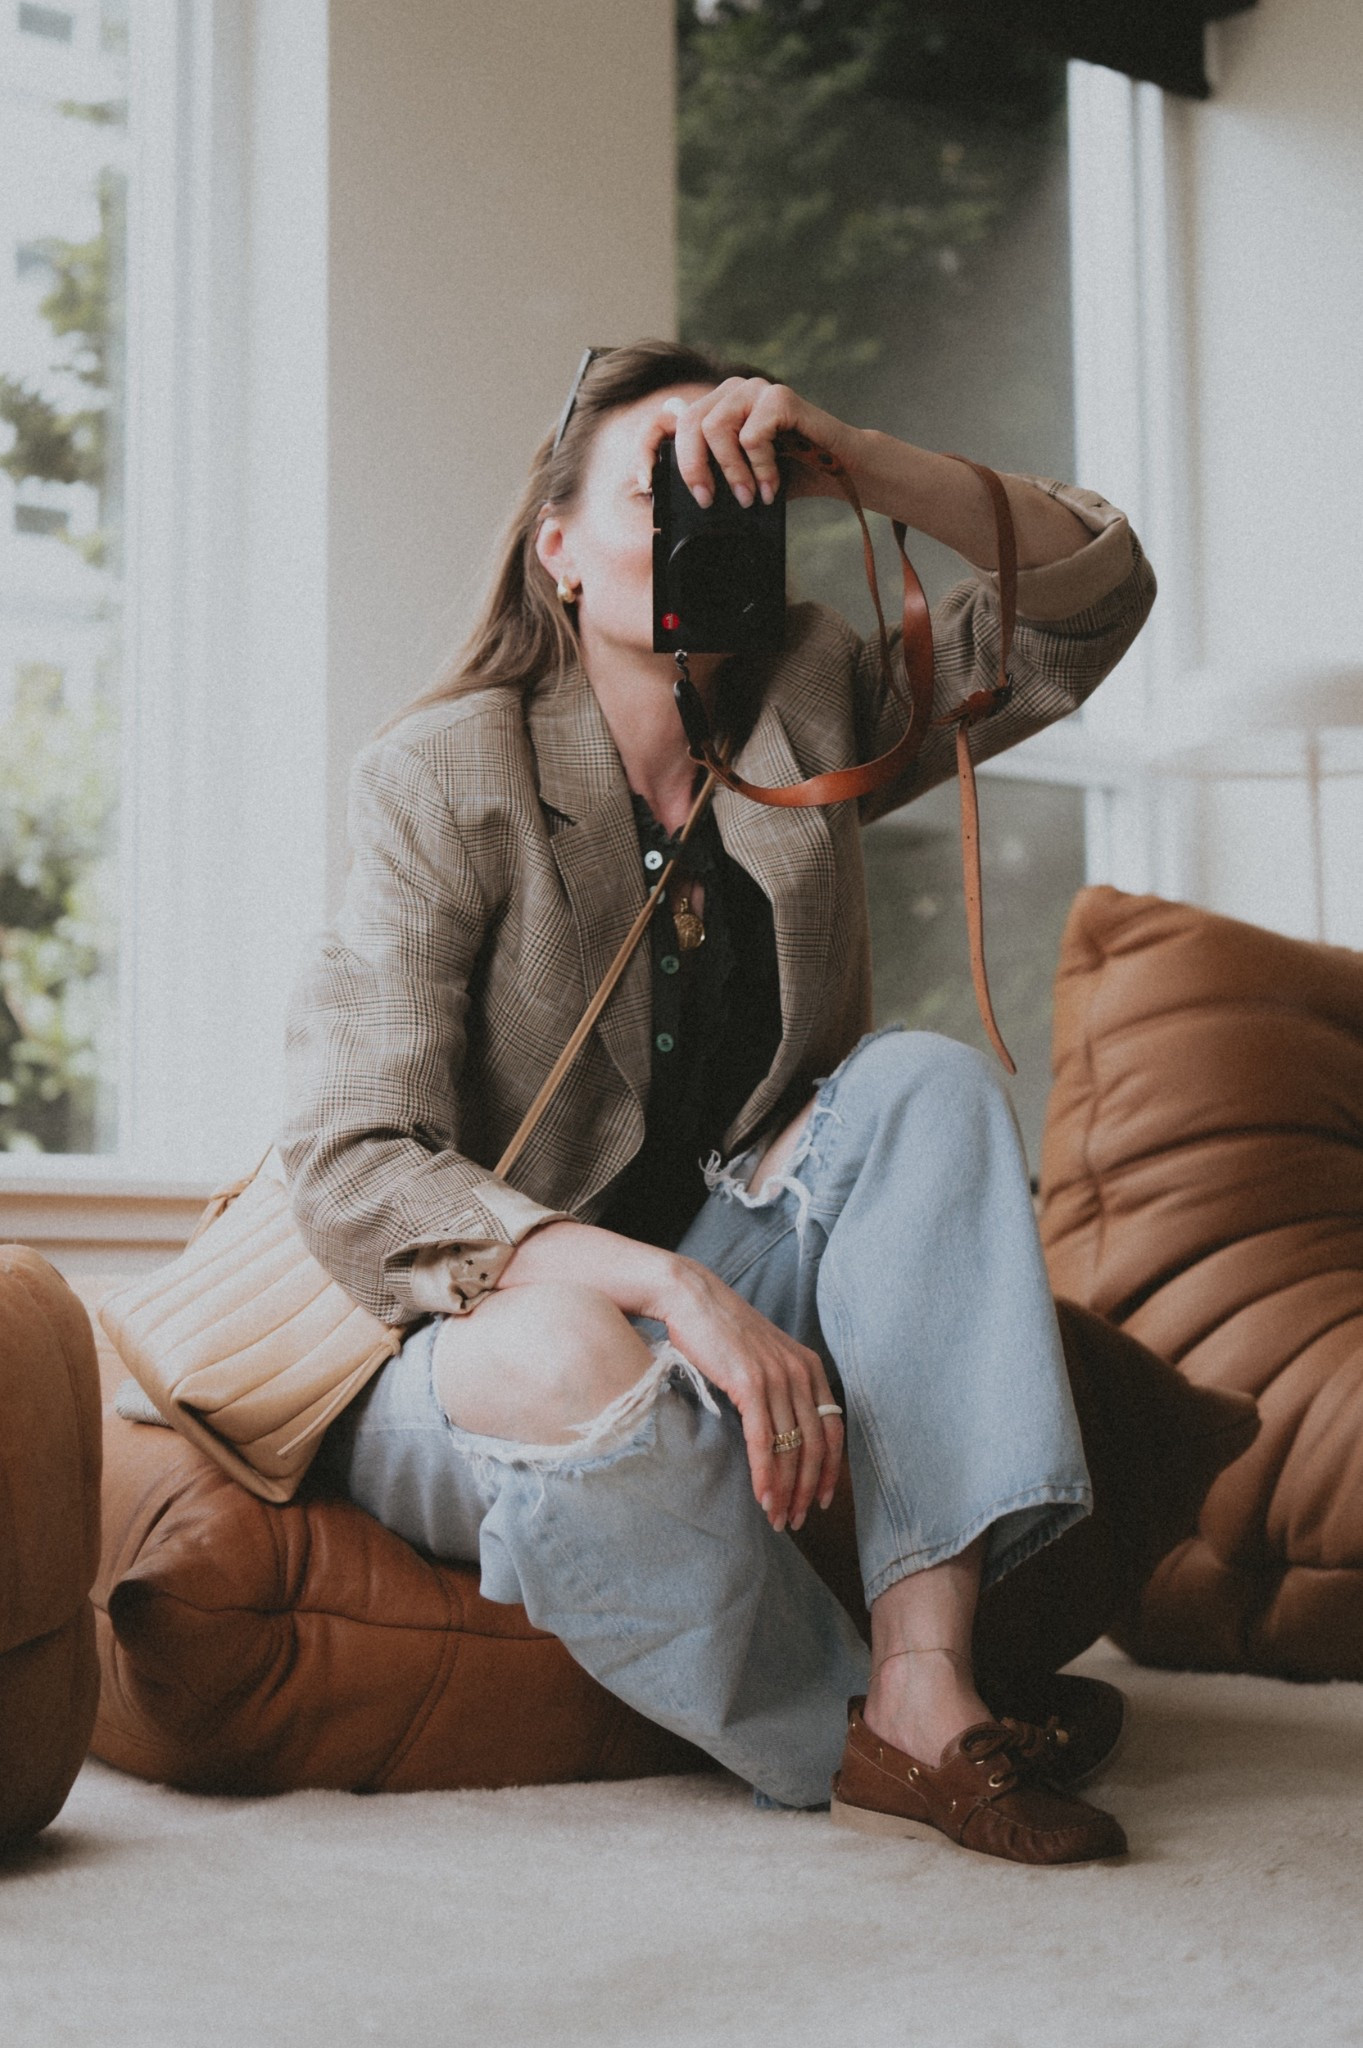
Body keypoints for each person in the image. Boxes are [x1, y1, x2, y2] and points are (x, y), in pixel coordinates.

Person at [279, 339, 1156, 1865]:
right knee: (565, 1341)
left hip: (723, 1281)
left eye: (740, 489)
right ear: (558, 548)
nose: (708, 518)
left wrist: (865, 463)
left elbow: (1089, 611)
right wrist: (671, 1288)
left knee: (929, 1083)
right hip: (474, 1340)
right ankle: (856, 1737)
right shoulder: (445, 775)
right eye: (662, 489)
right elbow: (355, 1164)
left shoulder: (804, 701)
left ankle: (933, 1684)